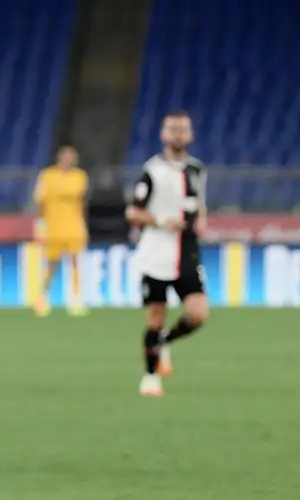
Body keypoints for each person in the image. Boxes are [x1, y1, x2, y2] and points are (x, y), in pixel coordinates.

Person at [125, 110, 209, 397]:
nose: (177, 134)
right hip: (156, 255)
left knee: (198, 314)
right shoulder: (152, 172)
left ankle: (165, 342)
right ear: (163, 135)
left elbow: (198, 203)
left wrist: (202, 220)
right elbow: (133, 212)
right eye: (172, 129)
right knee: (156, 318)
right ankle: (150, 377)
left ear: (190, 135)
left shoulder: (197, 169)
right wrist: (161, 221)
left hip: (187, 253)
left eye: (182, 129)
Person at [32, 144, 89, 317]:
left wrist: (84, 224)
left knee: (75, 263)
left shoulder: (80, 176)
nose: (69, 160)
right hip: (53, 227)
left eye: (72, 157)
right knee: (51, 264)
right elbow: (40, 202)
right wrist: (40, 224)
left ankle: (76, 300)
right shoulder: (48, 175)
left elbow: (82, 202)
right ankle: (42, 298)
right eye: (66, 156)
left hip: (74, 227)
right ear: (59, 158)